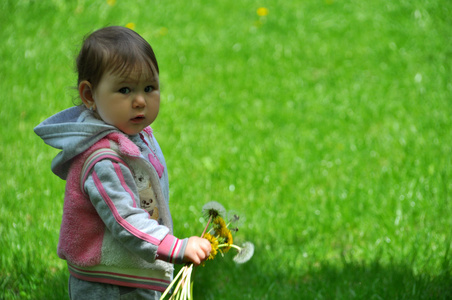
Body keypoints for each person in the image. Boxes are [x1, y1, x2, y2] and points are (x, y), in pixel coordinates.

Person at [34, 26, 211, 299]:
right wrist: (174, 247)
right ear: (90, 96)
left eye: (149, 88)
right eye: (125, 89)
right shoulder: (103, 158)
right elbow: (125, 219)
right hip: (107, 283)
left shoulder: (136, 136)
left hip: (130, 271)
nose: (140, 100)